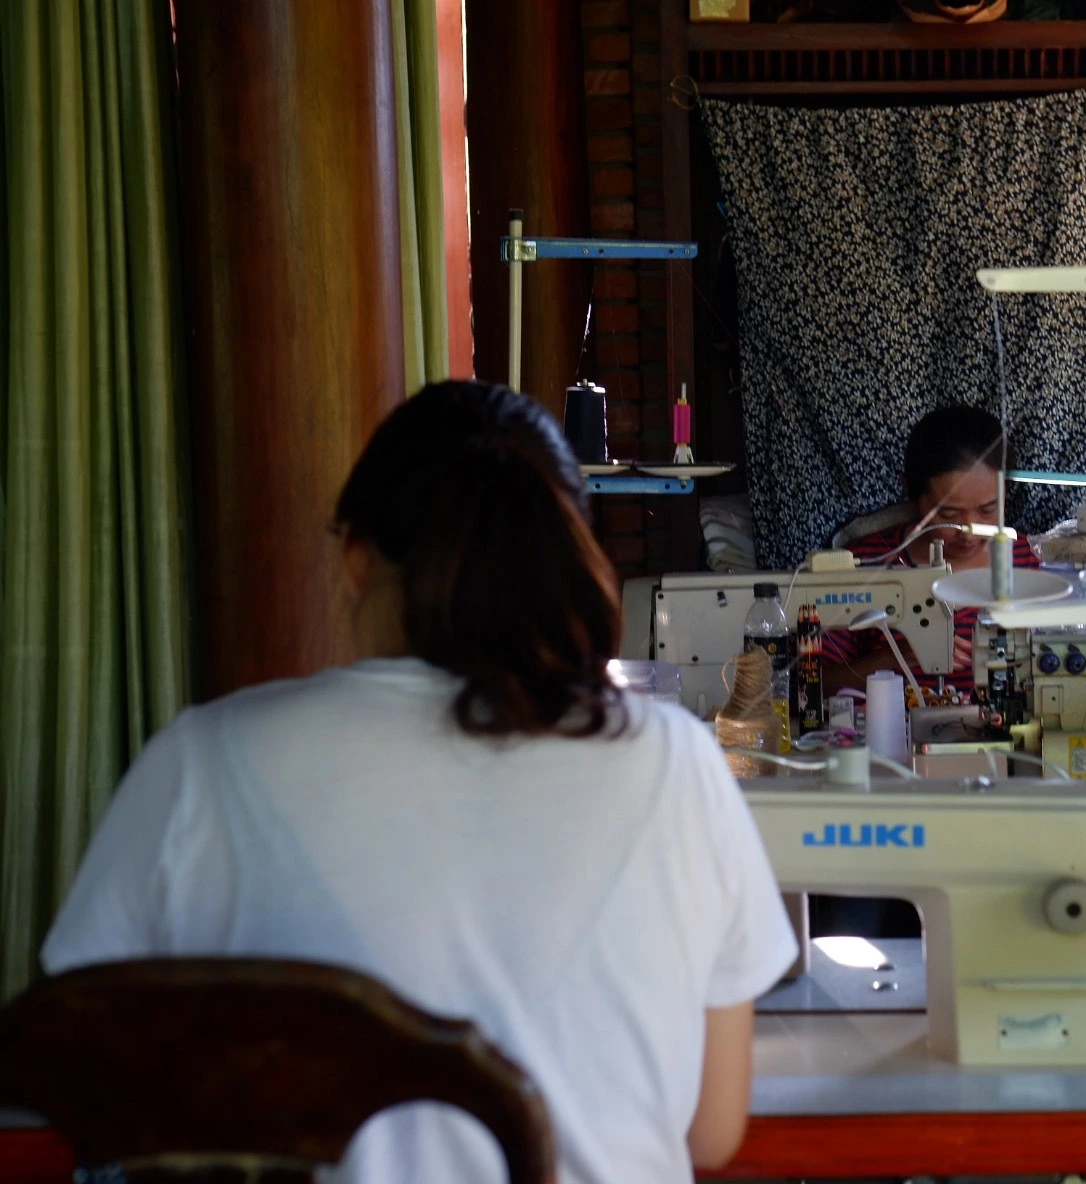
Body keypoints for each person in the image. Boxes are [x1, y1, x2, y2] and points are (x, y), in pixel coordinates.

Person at [40, 381, 797, 1184]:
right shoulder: (676, 762)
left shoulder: (202, 762)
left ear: (357, 556)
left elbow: (82, 1078)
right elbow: (712, 1133)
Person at [822, 405, 1040, 698]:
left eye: (989, 510)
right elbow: (814, 683)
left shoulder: (1031, 559)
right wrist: (892, 657)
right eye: (949, 514)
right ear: (913, 495)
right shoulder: (868, 561)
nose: (970, 530)